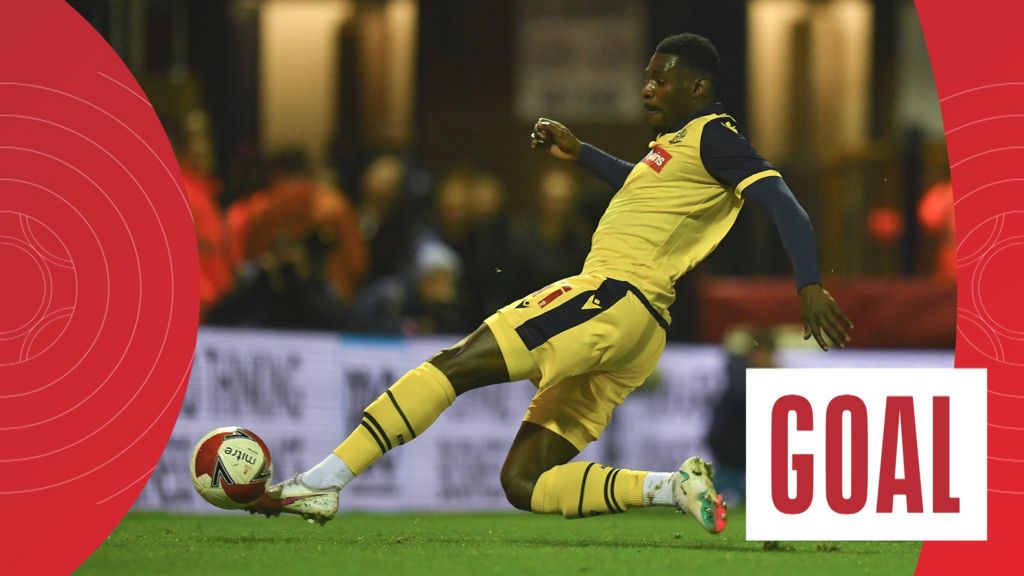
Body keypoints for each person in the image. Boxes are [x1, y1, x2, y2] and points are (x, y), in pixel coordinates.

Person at [246, 33, 852, 532]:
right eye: (647, 75)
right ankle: (670, 487)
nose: (647, 86)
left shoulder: (715, 136)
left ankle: (323, 482)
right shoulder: (674, 149)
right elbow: (641, 184)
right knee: (523, 482)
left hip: (611, 296)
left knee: (455, 364)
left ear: (697, 86)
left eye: (660, 78)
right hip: (641, 328)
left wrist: (808, 285)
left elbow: (784, 205)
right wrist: (581, 151)